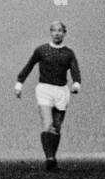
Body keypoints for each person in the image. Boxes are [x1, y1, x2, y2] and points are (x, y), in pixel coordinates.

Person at [14, 20, 81, 170]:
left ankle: (52, 157)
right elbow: (29, 66)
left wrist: (76, 83)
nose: (57, 33)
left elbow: (75, 69)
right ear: (50, 32)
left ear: (64, 33)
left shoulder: (68, 53)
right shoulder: (42, 50)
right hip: (45, 89)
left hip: (61, 91)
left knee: (56, 127)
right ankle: (49, 158)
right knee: (47, 124)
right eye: (54, 30)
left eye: (60, 31)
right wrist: (19, 83)